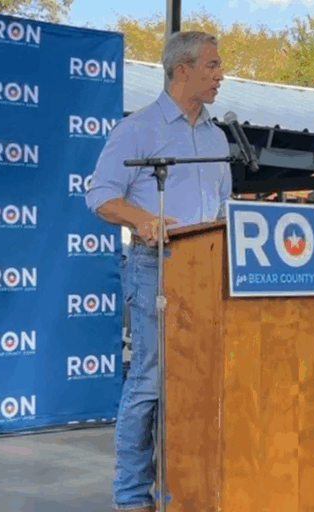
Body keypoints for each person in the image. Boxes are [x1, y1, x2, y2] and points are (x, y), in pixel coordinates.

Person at [85, 31, 231, 512]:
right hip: (157, 267)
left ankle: (188, 486)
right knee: (150, 380)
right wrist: (144, 220)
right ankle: (131, 497)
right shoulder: (138, 129)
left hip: (211, 271)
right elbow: (101, 197)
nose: (220, 74)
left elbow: (224, 208)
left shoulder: (218, 135)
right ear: (181, 69)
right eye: (211, 65)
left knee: (203, 378)